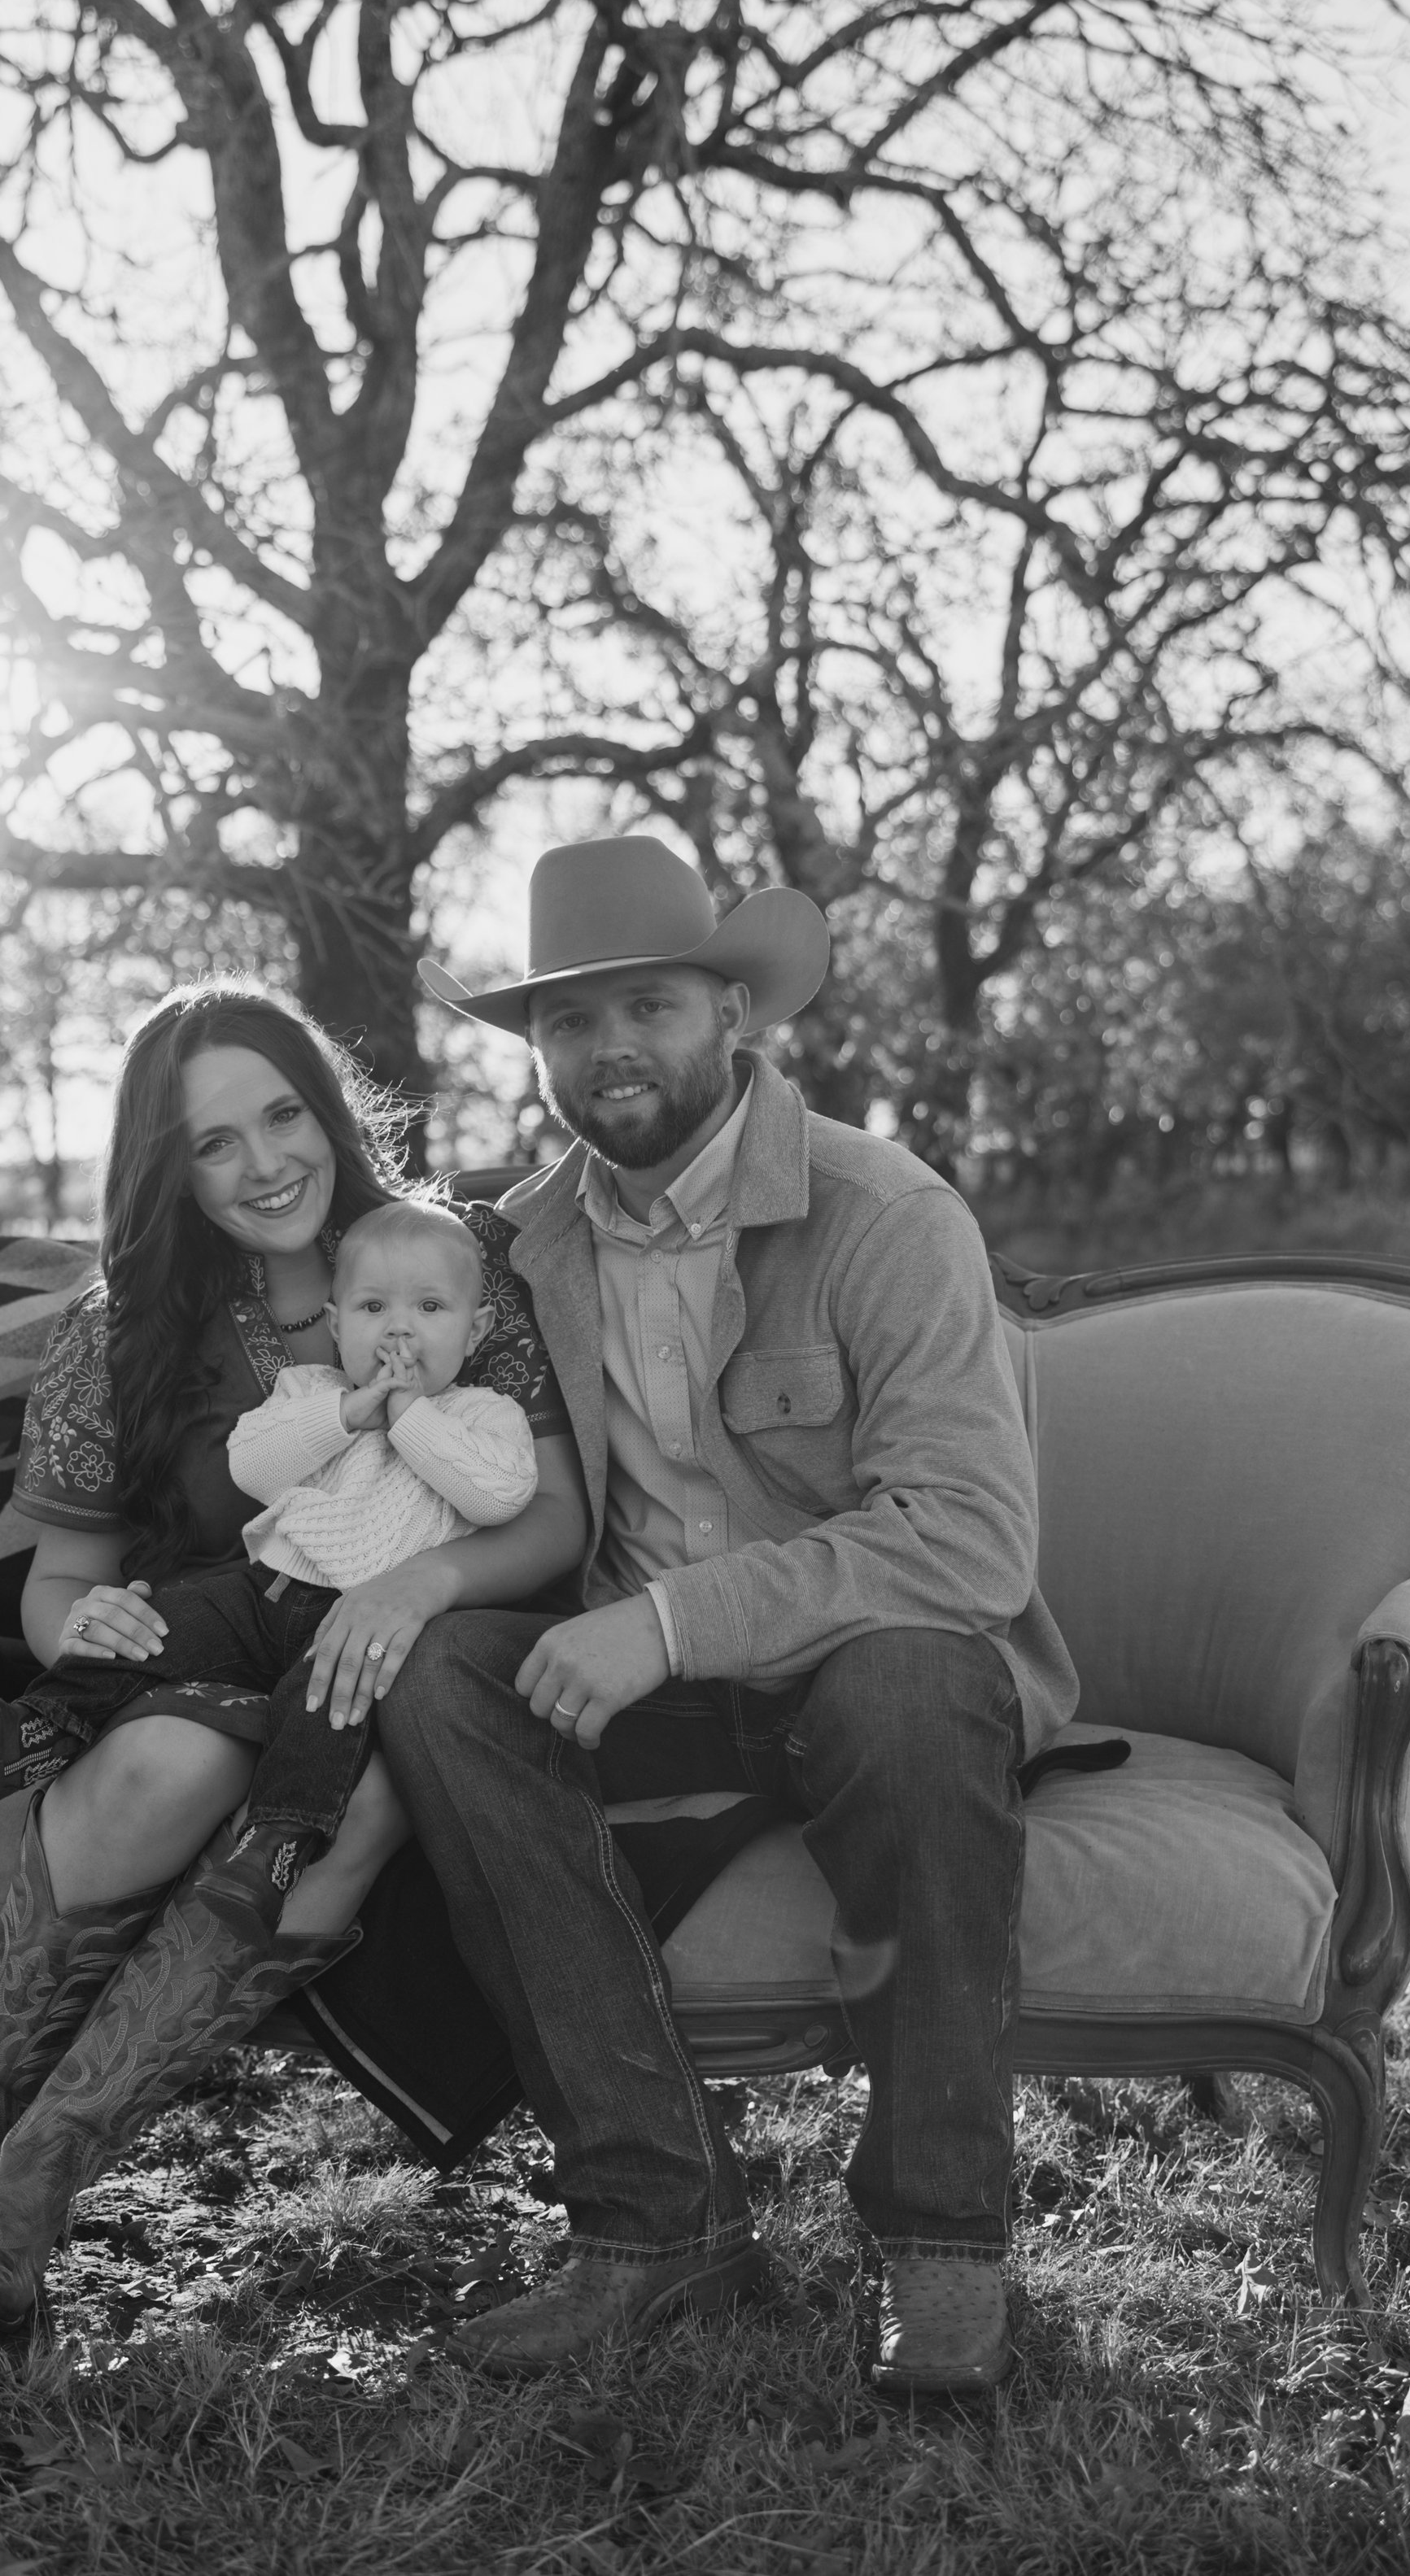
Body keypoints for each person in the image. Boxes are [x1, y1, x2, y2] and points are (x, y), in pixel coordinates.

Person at [381, 835, 1078, 2392]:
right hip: (631, 1672)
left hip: (863, 1656)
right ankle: (658, 2217)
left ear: (733, 1016)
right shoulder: (520, 1244)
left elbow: (967, 1538)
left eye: (650, 1006)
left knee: (911, 1688)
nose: (611, 1049)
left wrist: (676, 1622)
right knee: (440, 1680)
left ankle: (944, 2244)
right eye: (571, 1022)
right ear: (540, 1055)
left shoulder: (883, 1213)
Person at [0, 981, 585, 2325]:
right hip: (218, 1640)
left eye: (283, 1114)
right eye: (211, 1143)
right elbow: (64, 1575)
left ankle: (31, 2189)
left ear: (331, 1112)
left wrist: (418, 1588)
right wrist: (85, 1624)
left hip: (419, 1650)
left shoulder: (447, 1263)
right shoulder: (120, 1328)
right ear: (167, 1169)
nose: (264, 1162)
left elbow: (551, 1512)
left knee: (346, 1801)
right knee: (154, 1772)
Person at [0, 1200, 537, 1820]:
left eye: (431, 1308)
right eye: (373, 1308)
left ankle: (275, 1844)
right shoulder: (313, 1391)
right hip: (263, 1594)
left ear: (476, 1329)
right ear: (336, 1326)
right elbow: (252, 1466)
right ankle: (33, 1733)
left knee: (326, 1718)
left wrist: (409, 1417)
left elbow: (497, 1496)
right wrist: (346, 1416)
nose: (399, 1331)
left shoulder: (483, 1415)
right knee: (157, 1630)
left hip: (358, 1623)